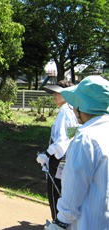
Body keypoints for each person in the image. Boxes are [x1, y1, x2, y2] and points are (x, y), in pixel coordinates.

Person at [45, 75, 109, 230]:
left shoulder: (86, 138)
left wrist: (60, 223)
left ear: (82, 106)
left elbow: (73, 190)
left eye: (75, 102)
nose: (72, 107)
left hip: (88, 222)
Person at [36, 80, 79, 220]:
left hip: (58, 159)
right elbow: (71, 135)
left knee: (55, 196)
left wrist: (46, 155)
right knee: (65, 195)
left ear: (67, 94)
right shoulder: (74, 110)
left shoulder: (64, 113)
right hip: (69, 158)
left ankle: (57, 225)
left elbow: (61, 141)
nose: (54, 95)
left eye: (57, 92)